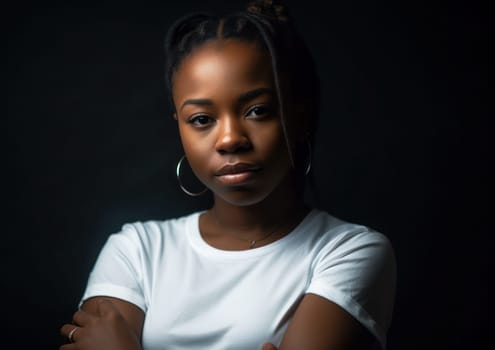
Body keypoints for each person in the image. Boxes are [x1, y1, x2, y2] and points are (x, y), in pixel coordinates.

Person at [60, 0, 396, 349]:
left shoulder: (349, 253)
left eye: (258, 111)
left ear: (298, 115)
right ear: (181, 128)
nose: (231, 139)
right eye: (202, 119)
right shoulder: (135, 251)